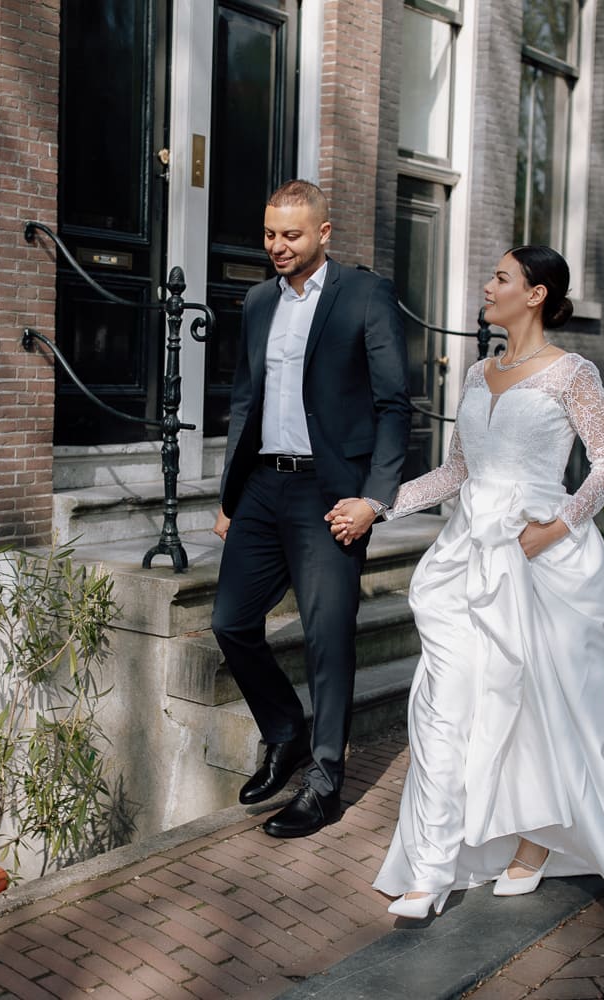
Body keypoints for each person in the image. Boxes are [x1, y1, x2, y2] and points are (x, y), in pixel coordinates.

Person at [328, 246, 604, 916]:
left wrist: (555, 526)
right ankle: (432, 869)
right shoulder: (477, 374)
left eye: (501, 277)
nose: (487, 284)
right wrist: (377, 504)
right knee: (448, 709)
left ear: (535, 295)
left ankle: (534, 841)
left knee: (542, 715)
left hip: (543, 563)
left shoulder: (572, 374)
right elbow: (455, 474)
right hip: (468, 561)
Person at [211, 179, 411, 839]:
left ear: (324, 233)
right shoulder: (258, 301)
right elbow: (246, 400)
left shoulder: (365, 294)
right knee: (232, 622)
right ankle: (285, 731)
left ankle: (325, 784)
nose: (276, 246)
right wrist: (230, 496)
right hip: (265, 486)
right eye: (269, 234)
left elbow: (392, 405)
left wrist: (374, 500)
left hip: (332, 496)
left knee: (327, 640)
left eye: (290, 235)